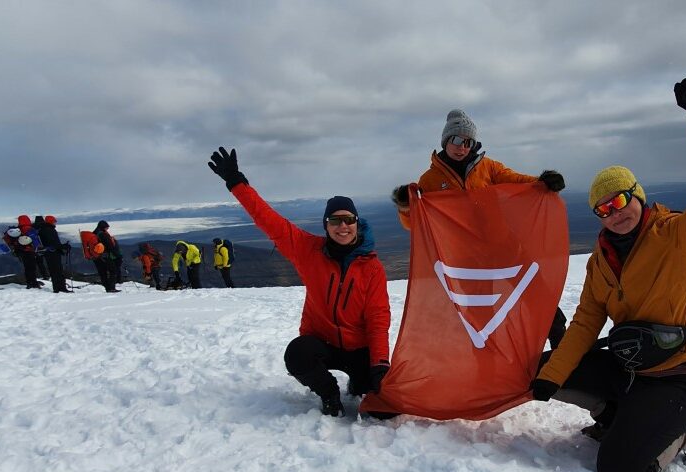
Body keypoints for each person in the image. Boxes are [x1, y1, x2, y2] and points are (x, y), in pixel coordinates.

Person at [529, 74, 686, 472]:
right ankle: (616, 416)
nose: (614, 213)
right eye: (603, 209)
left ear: (638, 196)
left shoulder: (678, 235)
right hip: (631, 371)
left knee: (620, 469)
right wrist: (550, 378)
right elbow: (586, 324)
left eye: (620, 200)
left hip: (680, 374)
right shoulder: (600, 263)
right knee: (540, 370)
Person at [209, 146, 391, 416]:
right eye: (335, 221)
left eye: (348, 220)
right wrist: (237, 183)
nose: (343, 227)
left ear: (356, 222)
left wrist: (379, 363)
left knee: (384, 408)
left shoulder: (371, 267)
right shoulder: (309, 251)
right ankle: (329, 392)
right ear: (326, 226)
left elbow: (378, 317)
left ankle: (359, 382)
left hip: (359, 347)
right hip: (322, 343)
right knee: (297, 354)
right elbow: (269, 220)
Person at [391, 108, 569, 348]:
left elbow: (516, 181)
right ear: (445, 140)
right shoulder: (430, 180)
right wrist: (405, 206)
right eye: (456, 140)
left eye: (469, 142)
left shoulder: (488, 167)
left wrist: (543, 182)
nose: (462, 147)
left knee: (539, 297)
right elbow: (416, 224)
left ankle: (563, 352)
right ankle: (490, 366)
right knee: (481, 317)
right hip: (467, 259)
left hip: (503, 245)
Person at [0, 214, 42, 289]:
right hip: (29, 251)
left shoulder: (17, 230)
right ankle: (34, 283)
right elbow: (35, 241)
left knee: (27, 267)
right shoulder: (29, 229)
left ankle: (29, 283)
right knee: (32, 267)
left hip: (20, 252)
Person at [38, 215, 72, 292]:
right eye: (54, 221)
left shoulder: (44, 229)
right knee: (57, 271)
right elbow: (54, 243)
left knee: (55, 271)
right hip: (53, 253)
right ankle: (60, 288)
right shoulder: (49, 230)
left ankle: (58, 288)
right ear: (51, 221)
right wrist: (64, 246)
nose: (55, 223)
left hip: (49, 253)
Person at [91, 220, 122, 292]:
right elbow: (110, 246)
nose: (107, 229)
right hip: (105, 256)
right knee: (113, 270)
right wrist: (118, 255)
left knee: (102, 273)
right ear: (103, 227)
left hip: (96, 257)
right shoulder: (102, 234)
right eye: (106, 228)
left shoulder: (94, 233)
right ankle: (111, 288)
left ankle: (108, 288)